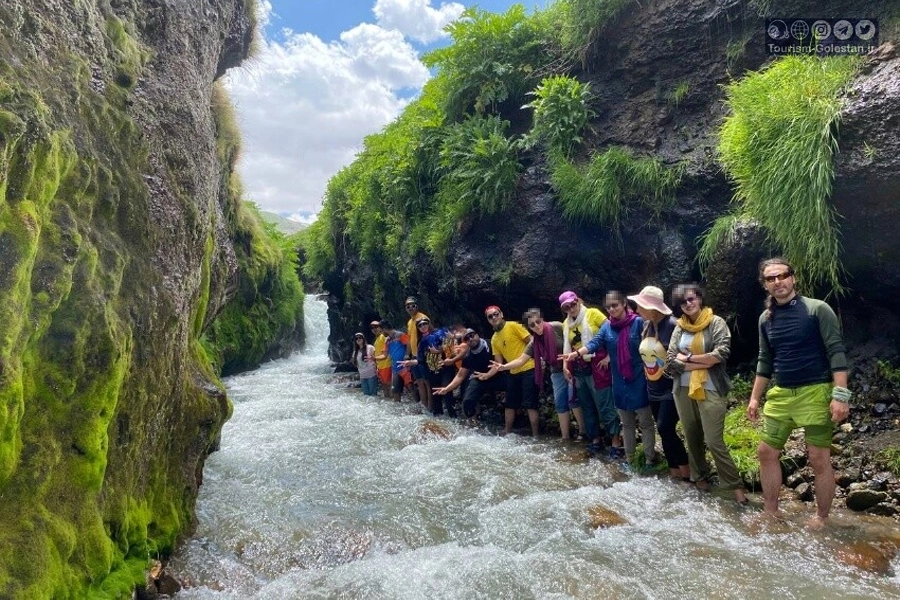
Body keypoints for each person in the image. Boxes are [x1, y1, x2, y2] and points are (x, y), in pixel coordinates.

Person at [746, 258, 850, 529]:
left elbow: (836, 351)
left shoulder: (817, 309)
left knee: (818, 457)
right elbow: (764, 360)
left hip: (816, 391)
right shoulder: (765, 318)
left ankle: (821, 517)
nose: (778, 281)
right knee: (766, 451)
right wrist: (755, 397)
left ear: (793, 278)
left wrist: (840, 396)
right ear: (765, 285)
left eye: (783, 275)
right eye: (771, 278)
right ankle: (771, 511)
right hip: (781, 394)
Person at [666, 283, 748, 504]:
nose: (688, 304)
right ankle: (700, 480)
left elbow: (721, 354)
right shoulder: (680, 327)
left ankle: (736, 488)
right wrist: (702, 361)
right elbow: (670, 363)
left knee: (714, 441)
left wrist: (689, 359)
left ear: (700, 298)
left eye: (692, 299)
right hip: (682, 389)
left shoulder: (716, 322)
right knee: (692, 437)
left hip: (711, 388)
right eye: (683, 302)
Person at [572, 291, 655, 467]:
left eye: (615, 305)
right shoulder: (607, 327)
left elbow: (651, 347)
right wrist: (577, 353)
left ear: (624, 303)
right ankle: (631, 460)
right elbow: (595, 343)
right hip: (619, 382)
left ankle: (649, 460)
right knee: (627, 424)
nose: (612, 309)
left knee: (646, 422)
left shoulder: (639, 323)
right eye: (608, 307)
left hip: (639, 379)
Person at [629, 286, 690, 481]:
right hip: (652, 387)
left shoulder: (673, 325)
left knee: (665, 427)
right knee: (663, 430)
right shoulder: (646, 326)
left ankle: (687, 470)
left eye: (640, 306)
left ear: (652, 308)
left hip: (671, 388)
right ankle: (674, 472)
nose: (637, 310)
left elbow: (686, 354)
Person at [494, 308, 582, 440]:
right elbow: (521, 360)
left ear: (542, 319)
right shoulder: (534, 342)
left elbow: (571, 342)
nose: (536, 326)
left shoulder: (556, 326)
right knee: (560, 403)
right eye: (532, 325)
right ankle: (565, 438)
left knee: (572, 398)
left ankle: (582, 431)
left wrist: (567, 364)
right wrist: (503, 366)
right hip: (556, 371)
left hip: (573, 367)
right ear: (528, 328)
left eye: (538, 321)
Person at [558, 291, 620, 454]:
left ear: (578, 300)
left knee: (604, 403)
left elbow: (612, 332)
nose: (571, 308)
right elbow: (567, 347)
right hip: (578, 369)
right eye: (566, 307)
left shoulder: (593, 314)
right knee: (587, 405)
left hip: (597, 367)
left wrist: (608, 356)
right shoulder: (566, 324)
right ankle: (595, 439)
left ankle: (615, 442)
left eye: (573, 303)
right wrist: (565, 366)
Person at [475, 306, 540, 437]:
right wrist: (487, 375)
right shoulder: (494, 339)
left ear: (501, 314)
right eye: (490, 316)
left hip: (528, 368)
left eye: (495, 314)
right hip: (512, 371)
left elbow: (532, 341)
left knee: (530, 405)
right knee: (509, 404)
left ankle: (536, 436)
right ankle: (507, 433)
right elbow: (498, 363)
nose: (494, 317)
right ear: (488, 320)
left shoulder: (514, 326)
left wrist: (540, 360)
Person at [434, 329, 502, 425]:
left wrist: (488, 374)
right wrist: (447, 389)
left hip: (498, 373)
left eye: (472, 335)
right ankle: (475, 425)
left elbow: (498, 363)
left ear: (477, 335)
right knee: (467, 401)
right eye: (467, 338)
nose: (470, 339)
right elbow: (460, 376)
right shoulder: (468, 356)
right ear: (465, 342)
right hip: (480, 378)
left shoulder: (490, 343)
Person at [404, 296, 429, 409]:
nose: (410, 308)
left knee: (427, 382)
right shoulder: (410, 322)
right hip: (414, 355)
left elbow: (428, 334)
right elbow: (409, 339)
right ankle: (424, 405)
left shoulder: (422, 318)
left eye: (412, 305)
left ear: (416, 306)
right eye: (408, 306)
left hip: (423, 355)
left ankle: (430, 406)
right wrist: (407, 354)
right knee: (419, 381)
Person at [380, 320, 412, 402]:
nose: (381, 332)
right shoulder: (387, 340)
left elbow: (408, 344)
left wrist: (407, 355)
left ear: (384, 329)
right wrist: (373, 358)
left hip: (404, 366)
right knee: (395, 391)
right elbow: (385, 355)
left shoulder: (400, 335)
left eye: (381, 330)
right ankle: (397, 411)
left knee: (410, 387)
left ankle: (419, 407)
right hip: (395, 368)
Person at [371, 320, 392, 398]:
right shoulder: (377, 339)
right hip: (380, 366)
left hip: (386, 365)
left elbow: (386, 352)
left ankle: (391, 402)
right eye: (372, 327)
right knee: (384, 386)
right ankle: (388, 402)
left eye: (376, 326)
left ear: (380, 327)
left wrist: (374, 358)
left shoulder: (383, 337)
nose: (374, 329)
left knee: (388, 386)